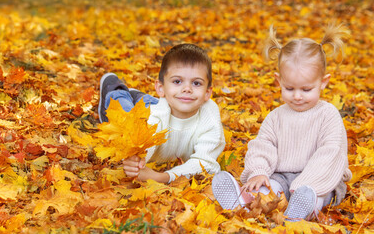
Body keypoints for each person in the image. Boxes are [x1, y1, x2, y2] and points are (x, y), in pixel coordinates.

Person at [212, 25, 353, 221]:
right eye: (289, 88)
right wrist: (259, 172)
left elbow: (330, 153)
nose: (297, 96)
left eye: (306, 89)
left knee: (316, 194)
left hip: (321, 179)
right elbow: (263, 146)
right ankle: (246, 202)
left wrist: (305, 183)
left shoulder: (327, 114)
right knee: (269, 186)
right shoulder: (276, 117)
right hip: (282, 175)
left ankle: (304, 210)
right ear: (278, 81)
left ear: (323, 82)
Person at [98, 43, 226, 183]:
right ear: (160, 88)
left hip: (163, 103)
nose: (187, 88)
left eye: (196, 83)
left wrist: (163, 177)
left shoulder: (210, 117)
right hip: (152, 112)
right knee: (124, 114)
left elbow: (205, 162)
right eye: (177, 81)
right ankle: (116, 90)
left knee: (153, 103)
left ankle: (141, 98)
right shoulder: (155, 117)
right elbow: (143, 144)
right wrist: (136, 160)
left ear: (208, 92)